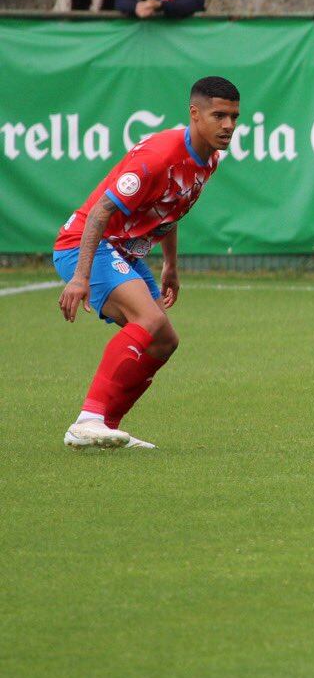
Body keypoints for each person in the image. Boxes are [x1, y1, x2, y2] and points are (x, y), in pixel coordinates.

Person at [52, 76, 240, 450]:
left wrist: (171, 264)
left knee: (164, 342)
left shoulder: (208, 161)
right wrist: (79, 278)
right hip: (86, 244)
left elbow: (169, 209)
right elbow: (101, 212)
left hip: (124, 252)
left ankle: (106, 426)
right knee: (149, 321)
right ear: (194, 114)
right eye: (219, 115)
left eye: (234, 116)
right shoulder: (159, 155)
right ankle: (87, 419)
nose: (228, 125)